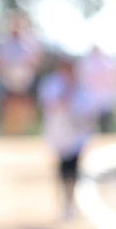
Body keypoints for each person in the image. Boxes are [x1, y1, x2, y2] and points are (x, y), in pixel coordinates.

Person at [38, 55, 99, 220]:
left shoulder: (83, 86)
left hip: (78, 134)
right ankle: (64, 202)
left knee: (73, 169)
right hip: (58, 133)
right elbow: (49, 105)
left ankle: (70, 201)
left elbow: (90, 109)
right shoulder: (52, 84)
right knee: (63, 169)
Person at [0, 12, 42, 135]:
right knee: (1, 101)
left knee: (30, 103)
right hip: (7, 79)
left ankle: (29, 128)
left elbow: (37, 61)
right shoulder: (3, 43)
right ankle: (5, 128)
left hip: (26, 78)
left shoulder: (30, 43)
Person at [76, 43, 116, 132]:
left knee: (104, 119)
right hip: (92, 96)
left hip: (102, 96)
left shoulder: (102, 63)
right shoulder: (88, 64)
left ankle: (104, 132)